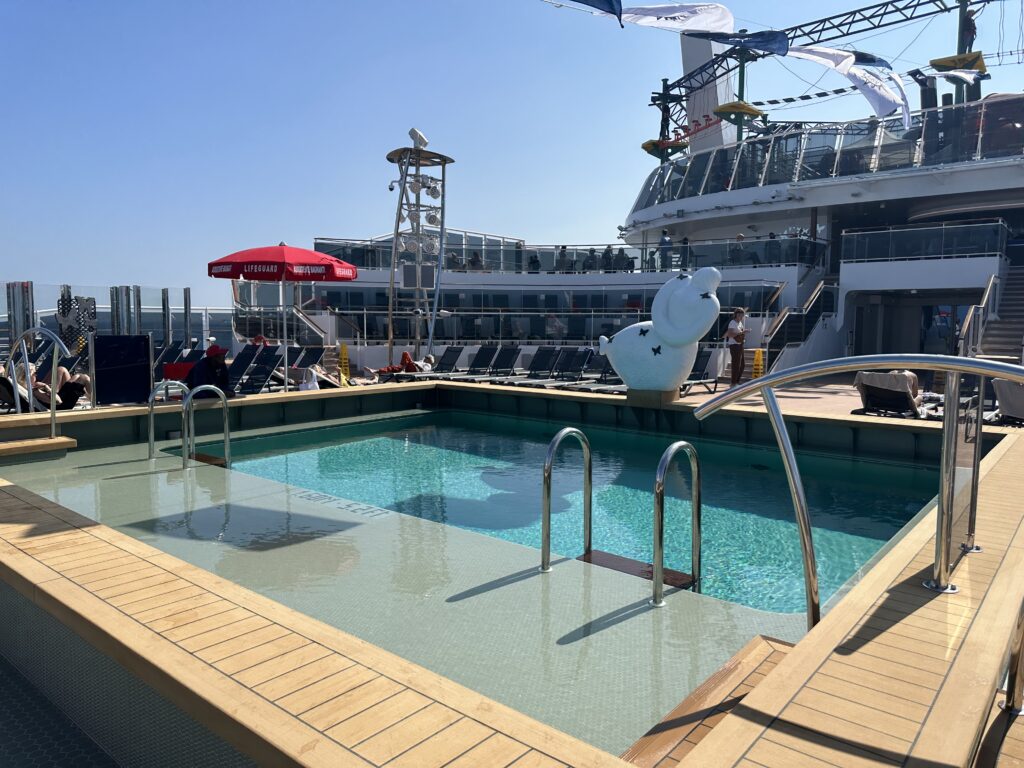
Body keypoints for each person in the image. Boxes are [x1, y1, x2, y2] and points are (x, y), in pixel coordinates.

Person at [19, 363, 91, 410]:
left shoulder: (27, 387)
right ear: (28, 376)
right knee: (84, 378)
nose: (36, 375)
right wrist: (46, 387)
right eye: (34, 373)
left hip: (58, 399)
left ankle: (90, 396)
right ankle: (95, 400)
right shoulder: (34, 391)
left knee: (65, 371)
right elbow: (58, 401)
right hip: (62, 406)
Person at [725, 308, 747, 387]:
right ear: (736, 315)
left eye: (742, 315)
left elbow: (740, 333)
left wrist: (743, 333)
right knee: (736, 364)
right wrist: (742, 332)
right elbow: (730, 334)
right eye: (739, 315)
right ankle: (733, 383)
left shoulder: (740, 323)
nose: (741, 316)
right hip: (734, 346)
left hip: (740, 344)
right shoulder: (732, 323)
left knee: (742, 365)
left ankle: (736, 382)